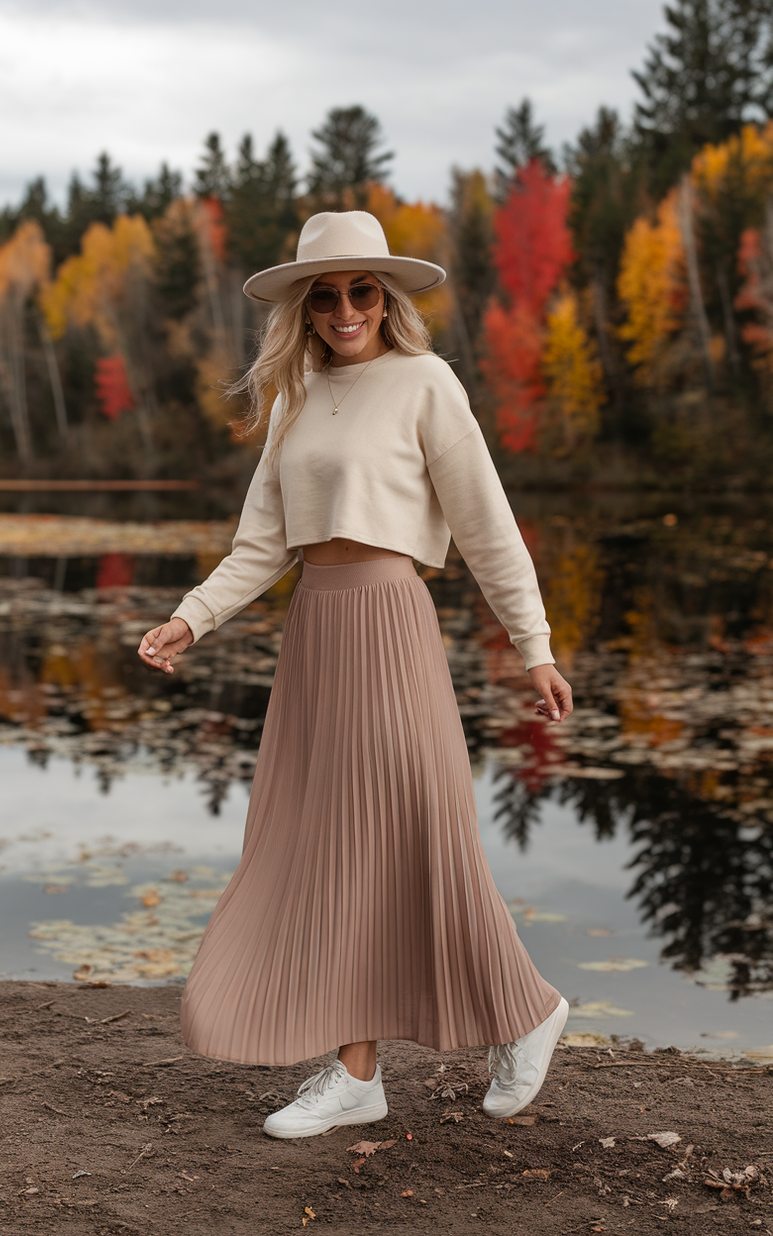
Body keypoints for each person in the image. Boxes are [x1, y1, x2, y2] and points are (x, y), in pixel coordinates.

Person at [138, 211, 573, 1140]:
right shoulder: (294, 400)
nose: (344, 309)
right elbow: (261, 546)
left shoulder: (425, 383)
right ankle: (357, 1073)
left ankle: (527, 1009)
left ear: (387, 298)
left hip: (388, 622)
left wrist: (533, 646)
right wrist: (189, 617)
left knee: (418, 828)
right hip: (317, 632)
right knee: (330, 847)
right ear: (302, 307)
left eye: (361, 290)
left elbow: (487, 526)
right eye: (325, 293)